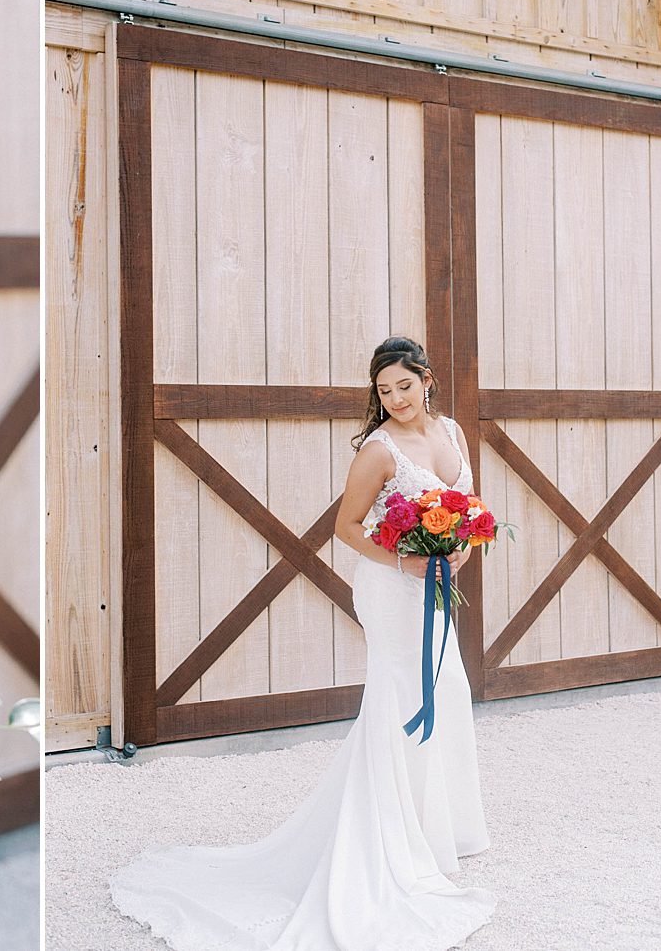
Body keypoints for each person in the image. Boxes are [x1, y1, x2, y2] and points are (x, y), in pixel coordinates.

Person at [109, 336, 495, 950]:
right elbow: (346, 528)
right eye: (383, 390)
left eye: (404, 385)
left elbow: (468, 507)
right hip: (391, 589)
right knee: (400, 697)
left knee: (446, 685)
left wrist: (461, 547)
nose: (395, 399)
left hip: (435, 584)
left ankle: (438, 830)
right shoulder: (377, 450)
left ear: (427, 379)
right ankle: (389, 839)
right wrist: (406, 560)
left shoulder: (451, 431)